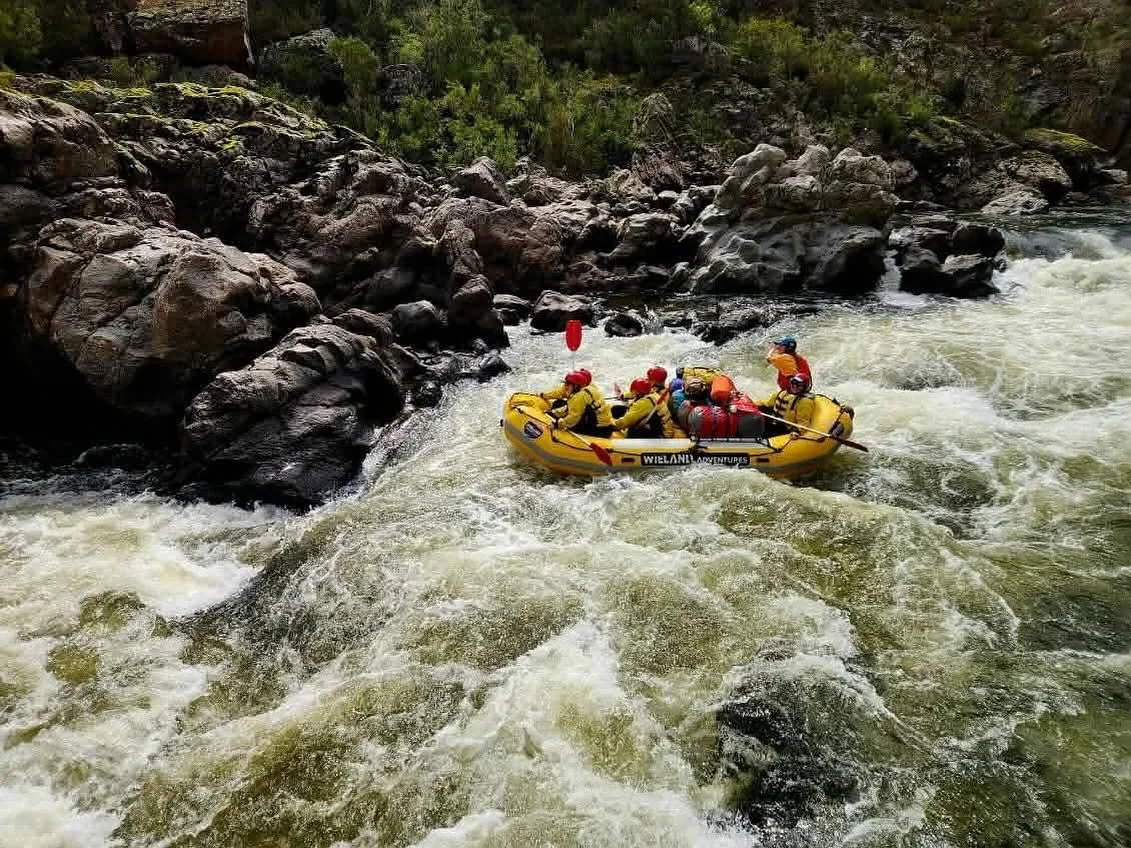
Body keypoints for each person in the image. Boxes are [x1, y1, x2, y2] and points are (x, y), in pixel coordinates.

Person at [547, 369, 615, 437]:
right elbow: (569, 409)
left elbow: (574, 417)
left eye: (568, 384)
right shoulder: (585, 391)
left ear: (576, 386)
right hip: (602, 426)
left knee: (569, 423)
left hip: (599, 430)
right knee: (560, 405)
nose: (565, 386)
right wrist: (553, 413)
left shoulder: (580, 396)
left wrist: (556, 424)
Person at [645, 366, 681, 437]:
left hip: (659, 426)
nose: (648, 380)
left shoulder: (658, 395)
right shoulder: (668, 390)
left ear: (654, 381)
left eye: (650, 379)